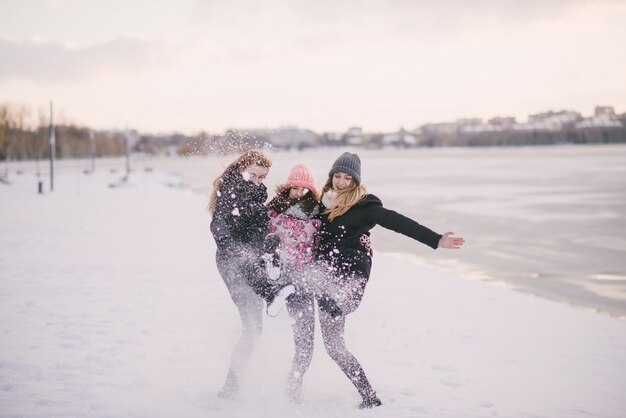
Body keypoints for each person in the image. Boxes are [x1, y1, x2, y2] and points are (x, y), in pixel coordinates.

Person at [313, 152, 465, 409]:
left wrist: (436, 239)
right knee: (334, 347)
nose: (340, 182)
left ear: (355, 180)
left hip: (351, 276)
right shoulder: (321, 204)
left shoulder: (365, 205)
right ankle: (369, 397)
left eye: (346, 178)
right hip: (325, 277)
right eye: (336, 176)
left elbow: (399, 222)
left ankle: (335, 302)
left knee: (337, 304)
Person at [208, 149, 295, 399]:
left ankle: (232, 385)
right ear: (241, 169)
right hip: (232, 262)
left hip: (251, 259)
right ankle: (271, 293)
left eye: (262, 177)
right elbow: (219, 225)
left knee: (253, 329)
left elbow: (257, 222)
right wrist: (232, 247)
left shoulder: (253, 193)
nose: (257, 180)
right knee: (253, 327)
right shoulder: (231, 190)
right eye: (253, 174)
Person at [263, 163, 341, 402]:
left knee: (306, 342)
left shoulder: (319, 212)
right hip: (287, 281)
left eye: (303, 188)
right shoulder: (273, 209)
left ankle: (293, 382)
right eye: (294, 187)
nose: (298, 192)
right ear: (287, 187)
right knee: (301, 337)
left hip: (310, 277)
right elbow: (260, 235)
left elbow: (331, 241)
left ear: (311, 189)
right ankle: (273, 283)